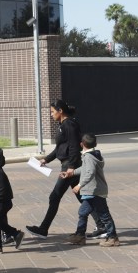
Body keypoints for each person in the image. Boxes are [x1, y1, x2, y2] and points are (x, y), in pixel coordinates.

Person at [26, 99, 102, 239]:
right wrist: (45, 160)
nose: (51, 115)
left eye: (52, 112)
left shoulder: (70, 125)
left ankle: (43, 229)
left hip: (69, 165)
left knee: (54, 196)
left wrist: (71, 168)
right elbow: (60, 148)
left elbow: (74, 147)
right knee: (82, 196)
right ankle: (102, 225)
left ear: (60, 111)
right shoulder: (64, 125)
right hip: (68, 164)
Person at [67, 134, 119, 247]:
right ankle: (80, 236)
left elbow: (89, 172)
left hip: (95, 191)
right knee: (83, 212)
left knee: (104, 215)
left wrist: (79, 185)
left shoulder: (89, 157)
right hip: (92, 191)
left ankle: (112, 237)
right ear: (95, 144)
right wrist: (72, 172)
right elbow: (86, 168)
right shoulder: (93, 155)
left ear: (81, 144)